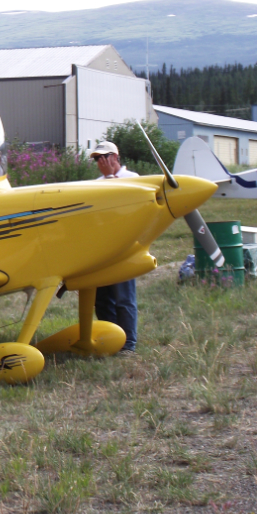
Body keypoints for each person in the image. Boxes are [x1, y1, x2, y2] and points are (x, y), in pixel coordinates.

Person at [90, 140, 140, 355]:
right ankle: (112, 341)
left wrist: (110, 176)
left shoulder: (134, 179)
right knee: (101, 300)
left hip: (124, 248)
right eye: (97, 159)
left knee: (123, 298)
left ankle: (128, 344)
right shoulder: (96, 183)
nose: (100, 162)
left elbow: (122, 206)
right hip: (102, 248)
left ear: (114, 157)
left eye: (103, 157)